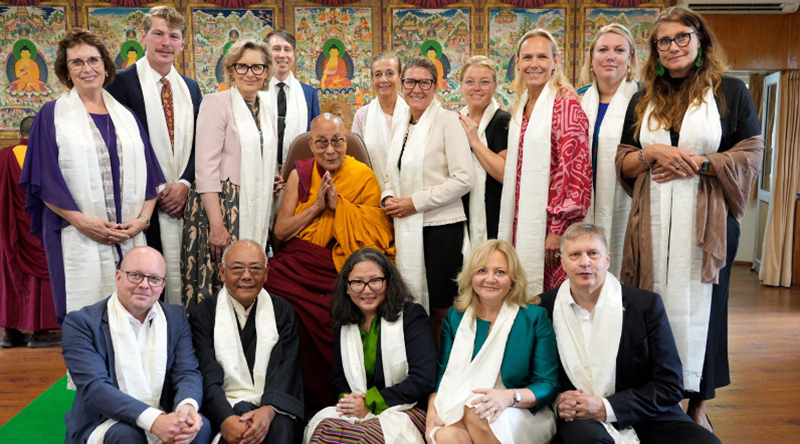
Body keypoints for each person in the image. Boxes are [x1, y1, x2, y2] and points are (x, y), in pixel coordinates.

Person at [616, 6, 763, 430]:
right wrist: (650, 154)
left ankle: (698, 403)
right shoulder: (643, 97)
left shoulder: (729, 92)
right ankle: (654, 395)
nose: (674, 46)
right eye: (664, 41)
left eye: (682, 37)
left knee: (707, 310)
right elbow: (622, 160)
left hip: (708, 223)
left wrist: (697, 164)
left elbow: (750, 154)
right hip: (652, 223)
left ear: (700, 42)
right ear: (655, 50)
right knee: (651, 302)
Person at [19, 28, 165, 325]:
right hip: (74, 231)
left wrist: (143, 220)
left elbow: (151, 178)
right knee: (85, 318)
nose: (87, 68)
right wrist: (84, 223)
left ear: (106, 65)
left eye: (93, 60)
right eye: (77, 62)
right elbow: (45, 181)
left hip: (129, 233)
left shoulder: (126, 116)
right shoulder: (52, 115)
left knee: (132, 313)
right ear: (66, 70)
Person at [539, 223, 721, 444]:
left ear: (607, 259)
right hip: (580, 417)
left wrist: (606, 407)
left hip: (646, 413)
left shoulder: (645, 305)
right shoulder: (544, 308)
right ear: (563, 261)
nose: (584, 262)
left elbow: (670, 384)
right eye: (575, 254)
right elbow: (534, 376)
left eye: (593, 254)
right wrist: (559, 402)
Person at [266, 113, 395, 415]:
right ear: (310, 144)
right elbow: (281, 232)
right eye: (321, 142)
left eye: (337, 141)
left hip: (339, 264)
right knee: (270, 291)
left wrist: (341, 207)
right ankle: (285, 393)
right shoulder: (301, 174)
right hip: (300, 259)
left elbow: (380, 234)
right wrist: (317, 207)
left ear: (346, 142)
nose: (330, 150)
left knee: (335, 309)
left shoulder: (362, 175)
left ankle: (335, 397)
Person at [61, 246, 212, 444]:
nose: (144, 285)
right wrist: (155, 420)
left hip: (164, 410)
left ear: (163, 284)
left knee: (197, 428)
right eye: (136, 275)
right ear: (118, 277)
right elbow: (95, 388)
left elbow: (187, 372)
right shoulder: (82, 323)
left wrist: (187, 406)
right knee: (128, 436)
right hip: (106, 419)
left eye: (154, 279)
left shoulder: (175, 317)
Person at [106, 6, 203, 305]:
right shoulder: (120, 83)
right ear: (144, 37)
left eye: (173, 36)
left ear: (183, 44)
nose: (166, 43)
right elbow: (119, 144)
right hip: (143, 200)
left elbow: (202, 142)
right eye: (158, 34)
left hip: (185, 199)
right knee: (146, 281)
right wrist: (159, 186)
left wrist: (185, 183)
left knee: (187, 280)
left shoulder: (190, 88)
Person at [426, 240, 558, 444]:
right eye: (481, 270)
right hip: (460, 402)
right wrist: (431, 411)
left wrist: (509, 397)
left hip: (520, 409)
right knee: (446, 435)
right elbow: (444, 375)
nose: (490, 279)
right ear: (471, 276)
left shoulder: (534, 317)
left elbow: (548, 384)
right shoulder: (455, 317)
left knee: (476, 413)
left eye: (500, 272)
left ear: (513, 279)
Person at [182, 39, 278, 311]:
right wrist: (217, 225)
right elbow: (205, 168)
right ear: (231, 70)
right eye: (243, 66)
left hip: (253, 202)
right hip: (223, 208)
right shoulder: (216, 103)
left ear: (267, 71)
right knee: (217, 284)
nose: (250, 73)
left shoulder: (265, 109)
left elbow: (257, 157)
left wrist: (269, 177)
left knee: (247, 284)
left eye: (257, 67)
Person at [305, 248, 436, 444]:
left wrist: (369, 402)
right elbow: (339, 379)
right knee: (324, 431)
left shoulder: (411, 316)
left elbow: (423, 379)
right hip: (356, 409)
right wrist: (351, 403)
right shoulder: (344, 324)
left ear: (388, 282)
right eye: (357, 282)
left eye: (375, 281)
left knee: (366, 437)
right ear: (347, 288)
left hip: (404, 408)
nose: (367, 290)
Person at [383, 56, 473, 336]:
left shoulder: (449, 121)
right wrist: (387, 197)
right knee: (412, 302)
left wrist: (414, 203)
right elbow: (391, 174)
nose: (416, 89)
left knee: (441, 304)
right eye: (410, 82)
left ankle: (446, 367)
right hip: (407, 225)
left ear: (436, 87)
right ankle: (421, 364)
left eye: (424, 82)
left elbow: (463, 179)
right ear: (401, 84)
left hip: (441, 228)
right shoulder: (402, 124)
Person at [498, 29, 591, 295]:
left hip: (552, 229)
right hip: (522, 222)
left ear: (555, 61)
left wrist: (558, 229)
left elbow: (575, 172)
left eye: (542, 57)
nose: (534, 64)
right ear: (517, 62)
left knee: (552, 297)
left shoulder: (566, 105)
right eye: (527, 57)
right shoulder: (523, 104)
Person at [190, 240, 304, 444]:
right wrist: (226, 418)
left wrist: (268, 410)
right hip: (224, 408)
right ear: (222, 272)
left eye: (255, 269)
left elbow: (286, 370)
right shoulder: (204, 314)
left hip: (273, 408)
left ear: (267, 273)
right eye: (237, 269)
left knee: (281, 431)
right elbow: (206, 375)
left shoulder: (282, 311)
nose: (246, 276)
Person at [577, 24, 639, 278]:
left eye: (619, 50)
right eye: (603, 49)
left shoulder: (645, 101)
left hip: (629, 199)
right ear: (592, 58)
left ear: (630, 58)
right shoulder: (577, 101)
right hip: (583, 203)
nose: (610, 56)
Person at [0, 116, 60, 348]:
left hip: (8, 230)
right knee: (40, 275)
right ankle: (41, 333)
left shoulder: (4, 157)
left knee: (11, 276)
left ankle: (11, 333)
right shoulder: (45, 156)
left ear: (18, 135)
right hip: (38, 230)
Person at [457, 56, 511, 246]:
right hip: (459, 210)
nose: (476, 88)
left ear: (495, 86)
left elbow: (505, 173)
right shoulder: (455, 121)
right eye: (470, 82)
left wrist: (475, 140)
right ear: (461, 84)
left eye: (484, 82)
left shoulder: (502, 121)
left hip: (492, 211)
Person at [351, 52, 408, 190]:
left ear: (400, 77)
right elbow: (356, 162)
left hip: (410, 198)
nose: (383, 80)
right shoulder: (362, 116)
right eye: (378, 74)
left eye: (390, 73)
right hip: (374, 195)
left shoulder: (413, 112)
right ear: (372, 79)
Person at [266, 30, 321, 169]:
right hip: (261, 170)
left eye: (287, 50)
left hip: (299, 171)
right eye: (276, 49)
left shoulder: (309, 94)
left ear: (294, 56)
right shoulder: (256, 91)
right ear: (266, 54)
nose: (282, 55)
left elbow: (316, 137)